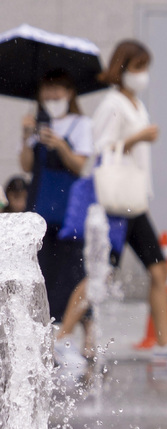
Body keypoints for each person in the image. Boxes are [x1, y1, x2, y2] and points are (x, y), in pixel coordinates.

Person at [56, 39, 167, 355]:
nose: (143, 75)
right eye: (137, 68)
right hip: (115, 205)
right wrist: (136, 138)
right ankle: (62, 335)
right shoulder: (112, 104)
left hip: (135, 202)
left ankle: (163, 343)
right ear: (122, 69)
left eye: (145, 68)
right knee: (101, 277)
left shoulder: (135, 103)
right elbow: (101, 150)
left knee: (159, 271)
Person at [19, 70, 92, 328]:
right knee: (43, 272)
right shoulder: (38, 123)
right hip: (40, 209)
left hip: (68, 211)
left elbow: (80, 166)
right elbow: (26, 165)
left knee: (71, 272)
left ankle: (74, 333)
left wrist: (60, 145)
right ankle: (48, 329)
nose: (51, 95)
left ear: (69, 92)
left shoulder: (80, 124)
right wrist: (26, 137)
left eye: (57, 89)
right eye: (46, 89)